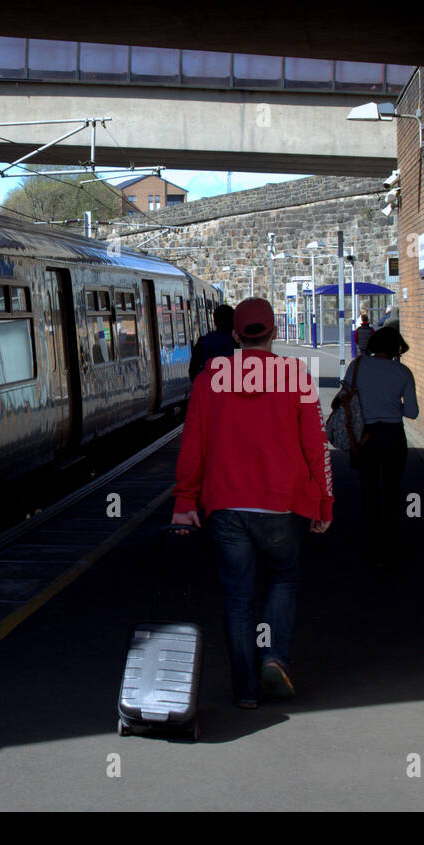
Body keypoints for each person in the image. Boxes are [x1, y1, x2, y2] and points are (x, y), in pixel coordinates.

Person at [171, 298, 333, 709]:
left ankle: (245, 689)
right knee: (282, 579)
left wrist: (185, 499)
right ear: (274, 332)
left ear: (236, 335)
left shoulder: (209, 382)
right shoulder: (295, 377)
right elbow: (317, 446)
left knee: (238, 597)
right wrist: (324, 503)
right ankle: (273, 658)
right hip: (284, 505)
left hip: (226, 506)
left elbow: (192, 448)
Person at [333, 326, 417, 556]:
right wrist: (393, 405)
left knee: (369, 489)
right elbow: (412, 412)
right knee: (391, 490)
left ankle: (372, 542)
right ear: (395, 348)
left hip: (366, 436)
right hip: (393, 436)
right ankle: (391, 542)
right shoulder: (403, 372)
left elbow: (343, 398)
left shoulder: (357, 366)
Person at [189, 303, 237, 381]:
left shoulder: (203, 342)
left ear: (215, 322)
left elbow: (193, 372)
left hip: (208, 388)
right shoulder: (239, 343)